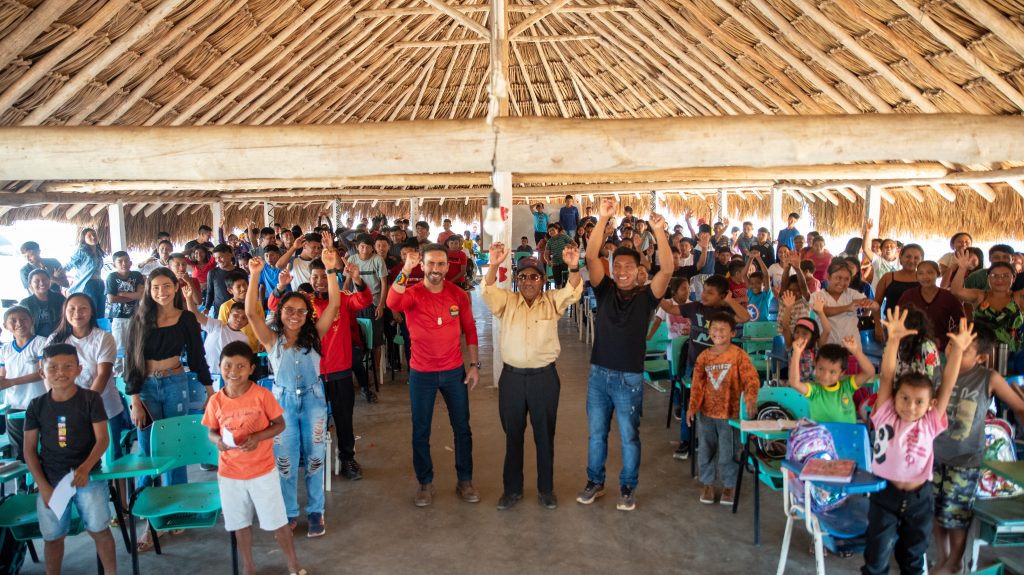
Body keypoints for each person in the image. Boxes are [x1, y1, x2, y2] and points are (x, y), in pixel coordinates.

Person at [577, 198, 673, 511]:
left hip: (629, 378)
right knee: (596, 435)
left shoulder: (647, 298)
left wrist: (659, 232)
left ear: (639, 271)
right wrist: (603, 219)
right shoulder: (603, 291)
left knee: (630, 437)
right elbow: (591, 255)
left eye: (628, 267)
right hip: (599, 376)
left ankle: (628, 487)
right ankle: (595, 482)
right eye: (617, 266)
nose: (621, 271)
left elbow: (668, 268)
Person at [861, 308, 969, 575]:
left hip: (920, 499)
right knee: (876, 561)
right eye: (905, 398)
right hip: (885, 495)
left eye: (919, 401)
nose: (910, 406)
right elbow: (887, 376)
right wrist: (893, 340)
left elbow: (948, 385)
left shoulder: (930, 421)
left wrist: (957, 351)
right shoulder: (885, 414)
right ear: (894, 398)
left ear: (930, 405)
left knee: (912, 559)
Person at [246, 244, 341, 537]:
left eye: (301, 311)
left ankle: (316, 512)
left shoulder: (315, 336)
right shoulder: (270, 339)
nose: (295, 315)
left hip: (313, 402)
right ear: (281, 312)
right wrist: (254, 276)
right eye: (289, 310)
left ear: (308, 314)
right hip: (282, 406)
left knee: (314, 459)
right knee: (285, 462)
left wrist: (331, 270)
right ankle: (289, 512)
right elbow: (251, 313)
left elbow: (335, 306)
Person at [482, 243, 582, 510]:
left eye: (534, 276)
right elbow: (488, 291)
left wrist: (573, 266)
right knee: (513, 435)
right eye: (523, 276)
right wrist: (493, 264)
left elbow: (572, 291)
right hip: (512, 380)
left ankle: (546, 490)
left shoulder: (552, 302)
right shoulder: (508, 302)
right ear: (517, 280)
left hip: (544, 379)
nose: (528, 281)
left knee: (544, 436)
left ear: (543, 280)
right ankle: (512, 490)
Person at [124, 268, 213, 549]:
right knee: (148, 452)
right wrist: (134, 400)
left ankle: (176, 509)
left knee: (177, 449)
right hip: (146, 389)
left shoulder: (186, 318)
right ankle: (149, 520)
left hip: (177, 383)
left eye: (166, 286)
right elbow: (131, 362)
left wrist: (211, 391)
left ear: (176, 287)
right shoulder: (139, 320)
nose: (161, 292)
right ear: (149, 290)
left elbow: (198, 356)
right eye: (155, 287)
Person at [386, 244, 481, 507]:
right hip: (421, 374)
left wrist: (474, 365)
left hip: (454, 373)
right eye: (431, 264)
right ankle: (425, 483)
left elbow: (470, 330)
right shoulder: (412, 293)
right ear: (422, 265)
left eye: (441, 264)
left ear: (447, 267)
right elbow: (392, 302)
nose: (436, 269)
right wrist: (406, 268)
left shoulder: (458, 294)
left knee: (462, 429)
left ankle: (465, 480)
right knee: (421, 431)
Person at [202, 341, 305, 575]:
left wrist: (258, 437)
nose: (233, 372)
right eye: (228, 366)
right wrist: (217, 440)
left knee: (278, 521)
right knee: (239, 524)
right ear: (219, 366)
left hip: (262, 471)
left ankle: (292, 564)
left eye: (240, 366)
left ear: (251, 368)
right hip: (230, 474)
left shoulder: (262, 395)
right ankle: (248, 567)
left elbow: (279, 424)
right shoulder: (216, 401)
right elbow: (211, 431)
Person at [931, 323, 1024, 574]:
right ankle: (943, 557)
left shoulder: (988, 377)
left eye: (964, 348)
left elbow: (1019, 406)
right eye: (952, 344)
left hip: (966, 459)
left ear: (981, 357)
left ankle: (955, 562)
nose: (954, 350)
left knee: (956, 515)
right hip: (934, 455)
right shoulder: (939, 372)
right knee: (936, 510)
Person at [23, 343, 117, 575]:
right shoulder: (36, 406)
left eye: (67, 366)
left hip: (89, 478)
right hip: (51, 482)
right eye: (52, 367)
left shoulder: (90, 399)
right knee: (53, 537)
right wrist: (43, 486)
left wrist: (85, 468)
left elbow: (103, 439)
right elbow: (29, 450)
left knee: (99, 530)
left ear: (79, 369)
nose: (60, 372)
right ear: (42, 371)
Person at [687, 313, 759, 505]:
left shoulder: (739, 355)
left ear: (732, 333)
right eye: (714, 329)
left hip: (731, 414)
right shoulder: (703, 357)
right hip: (706, 413)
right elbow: (697, 385)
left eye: (722, 329)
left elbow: (751, 379)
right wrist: (692, 407)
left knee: (730, 452)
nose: (717, 332)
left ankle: (729, 486)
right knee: (705, 449)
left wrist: (751, 399)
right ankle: (708, 484)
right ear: (709, 332)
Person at [47, 294, 129, 461]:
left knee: (111, 458)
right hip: (65, 410)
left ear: (92, 312)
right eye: (72, 308)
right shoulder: (54, 340)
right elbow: (50, 376)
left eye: (83, 308)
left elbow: (103, 374)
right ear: (65, 312)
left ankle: (116, 488)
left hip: (104, 407)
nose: (77, 313)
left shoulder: (103, 338)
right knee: (71, 456)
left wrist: (84, 406)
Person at [950, 252, 1024, 361]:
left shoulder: (1018, 297)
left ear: (1013, 278)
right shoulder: (980, 296)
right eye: (994, 276)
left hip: (1013, 356)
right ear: (988, 278)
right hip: (981, 354)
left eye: (1005, 276)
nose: (1000, 280)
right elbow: (956, 291)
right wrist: (962, 268)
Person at [788, 335, 876, 423]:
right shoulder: (814, 391)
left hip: (847, 435)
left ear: (842, 372)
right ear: (815, 364)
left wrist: (856, 351)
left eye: (832, 372)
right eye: (821, 369)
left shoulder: (847, 386)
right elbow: (794, 383)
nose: (825, 376)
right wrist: (796, 353)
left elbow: (870, 372)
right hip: (823, 436)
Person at [0, 306, 47, 462]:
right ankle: (23, 486)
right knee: (20, 449)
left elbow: (42, 373)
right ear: (6, 326)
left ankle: (45, 481)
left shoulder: (41, 343)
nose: (19, 323)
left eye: (23, 319)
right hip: (13, 404)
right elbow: (2, 377)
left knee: (45, 445)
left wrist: (11, 381)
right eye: (13, 320)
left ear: (31, 321)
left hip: (39, 403)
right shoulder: (5, 350)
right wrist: (4, 382)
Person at [182, 282, 249, 390]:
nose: (239, 319)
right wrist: (189, 298)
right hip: (207, 374)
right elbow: (195, 315)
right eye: (236, 315)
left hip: (228, 378)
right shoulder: (217, 325)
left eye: (244, 318)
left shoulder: (244, 339)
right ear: (228, 315)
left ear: (247, 322)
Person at [897, 260, 965, 351]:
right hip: (912, 347)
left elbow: (961, 323)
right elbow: (898, 317)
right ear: (916, 276)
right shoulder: (908, 295)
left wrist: (945, 340)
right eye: (921, 273)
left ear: (938, 274)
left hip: (941, 348)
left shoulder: (948, 297)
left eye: (930, 272)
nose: (925, 277)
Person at [810, 260, 878, 347]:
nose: (842, 283)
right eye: (838, 278)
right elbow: (823, 311)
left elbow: (876, 307)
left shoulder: (852, 294)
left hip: (852, 348)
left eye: (846, 279)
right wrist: (847, 308)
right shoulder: (817, 296)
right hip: (827, 349)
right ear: (828, 276)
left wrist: (870, 303)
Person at [105, 251, 145, 373]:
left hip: (136, 317)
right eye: (120, 261)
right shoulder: (112, 277)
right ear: (114, 264)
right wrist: (134, 295)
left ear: (130, 262)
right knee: (119, 349)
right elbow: (111, 299)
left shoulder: (137, 275)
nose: (124, 263)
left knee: (136, 347)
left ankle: (135, 373)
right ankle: (118, 375)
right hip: (119, 318)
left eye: (126, 260)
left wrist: (122, 294)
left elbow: (141, 294)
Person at [64, 228, 106, 319]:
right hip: (88, 284)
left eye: (94, 234)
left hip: (99, 283)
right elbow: (69, 265)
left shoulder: (98, 252)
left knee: (101, 312)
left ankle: (99, 331)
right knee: (91, 311)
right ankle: (90, 330)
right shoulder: (82, 251)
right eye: (89, 236)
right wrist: (58, 275)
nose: (93, 237)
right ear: (84, 239)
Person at [874, 243, 925, 315]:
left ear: (922, 261)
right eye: (908, 256)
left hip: (918, 325)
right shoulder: (888, 277)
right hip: (891, 324)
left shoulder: (925, 280)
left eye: (916, 258)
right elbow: (876, 304)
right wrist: (878, 325)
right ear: (901, 257)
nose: (911, 261)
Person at [20, 269, 65, 338]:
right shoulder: (25, 303)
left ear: (49, 281)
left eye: (44, 280)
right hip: (36, 341)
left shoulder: (59, 298)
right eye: (36, 281)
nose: (41, 283)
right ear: (30, 284)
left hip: (60, 337)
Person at [204, 244, 241, 316]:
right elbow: (210, 292)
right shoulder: (212, 273)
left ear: (230, 255)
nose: (218, 260)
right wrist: (207, 308)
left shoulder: (240, 272)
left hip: (239, 311)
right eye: (215, 258)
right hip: (220, 312)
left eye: (220, 257)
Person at [862, 219, 900, 290]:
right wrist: (867, 232)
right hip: (875, 296)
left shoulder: (901, 262)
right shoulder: (877, 260)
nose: (889, 248)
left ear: (896, 249)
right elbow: (865, 249)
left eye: (892, 246)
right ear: (881, 250)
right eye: (886, 246)